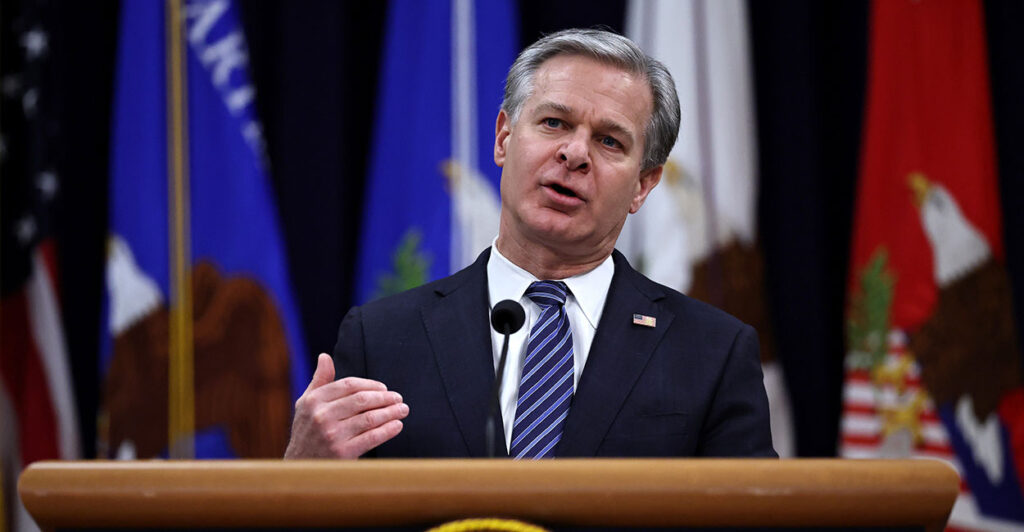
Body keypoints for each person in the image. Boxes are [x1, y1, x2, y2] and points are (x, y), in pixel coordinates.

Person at [284, 28, 775, 459]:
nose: (575, 153)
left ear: (643, 186)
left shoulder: (712, 352)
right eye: (554, 123)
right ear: (503, 138)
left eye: (610, 141)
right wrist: (302, 473)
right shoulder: (382, 339)